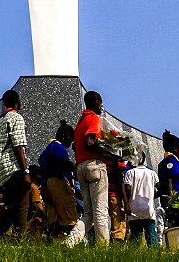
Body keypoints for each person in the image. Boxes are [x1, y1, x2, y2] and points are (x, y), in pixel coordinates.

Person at [65, 91, 110, 246]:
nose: (101, 106)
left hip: (81, 167)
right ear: (96, 102)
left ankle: (70, 242)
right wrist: (108, 148)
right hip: (95, 166)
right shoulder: (93, 118)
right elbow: (89, 142)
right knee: (101, 211)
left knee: (89, 213)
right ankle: (103, 248)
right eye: (100, 102)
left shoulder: (80, 123)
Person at [0, 89, 31, 236]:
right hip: (14, 168)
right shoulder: (16, 118)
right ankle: (18, 235)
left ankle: (1, 235)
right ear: (17, 103)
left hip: (2, 171)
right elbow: (19, 145)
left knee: (12, 205)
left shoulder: (1, 122)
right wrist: (26, 171)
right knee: (21, 204)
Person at [38, 120, 77, 238]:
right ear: (64, 136)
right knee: (68, 215)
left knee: (53, 216)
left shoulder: (50, 147)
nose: (70, 144)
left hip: (47, 184)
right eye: (70, 140)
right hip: (58, 183)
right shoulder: (59, 147)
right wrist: (71, 166)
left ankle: (54, 238)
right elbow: (60, 163)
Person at [123, 148, 159, 248]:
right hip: (148, 208)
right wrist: (152, 196)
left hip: (134, 208)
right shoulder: (152, 173)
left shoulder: (130, 173)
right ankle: (153, 254)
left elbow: (127, 188)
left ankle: (134, 255)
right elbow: (160, 188)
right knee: (151, 234)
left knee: (136, 235)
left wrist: (126, 202)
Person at [158, 130, 179, 200]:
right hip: (176, 201)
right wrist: (171, 199)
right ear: (175, 148)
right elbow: (168, 180)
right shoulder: (171, 160)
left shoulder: (165, 162)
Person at [107, 159, 128, 243]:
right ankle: (117, 245)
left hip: (102, 194)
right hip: (115, 194)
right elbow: (120, 180)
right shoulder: (118, 161)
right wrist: (125, 201)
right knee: (118, 227)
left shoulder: (100, 158)